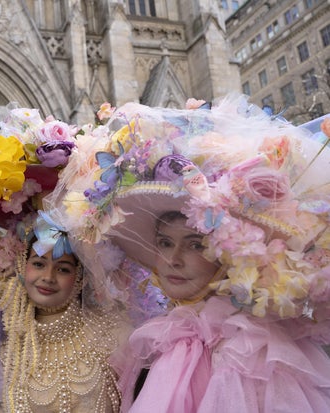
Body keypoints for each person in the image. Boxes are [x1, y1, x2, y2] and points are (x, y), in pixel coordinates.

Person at [45, 97, 330, 412]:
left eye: (195, 244)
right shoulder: (162, 337)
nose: (172, 259)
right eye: (165, 243)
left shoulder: (250, 353)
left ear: (228, 254)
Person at [0, 212, 126, 413]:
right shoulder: (5, 347)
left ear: (79, 277)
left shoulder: (113, 336)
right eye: (38, 264)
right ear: (22, 266)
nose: (48, 277)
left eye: (63, 269)